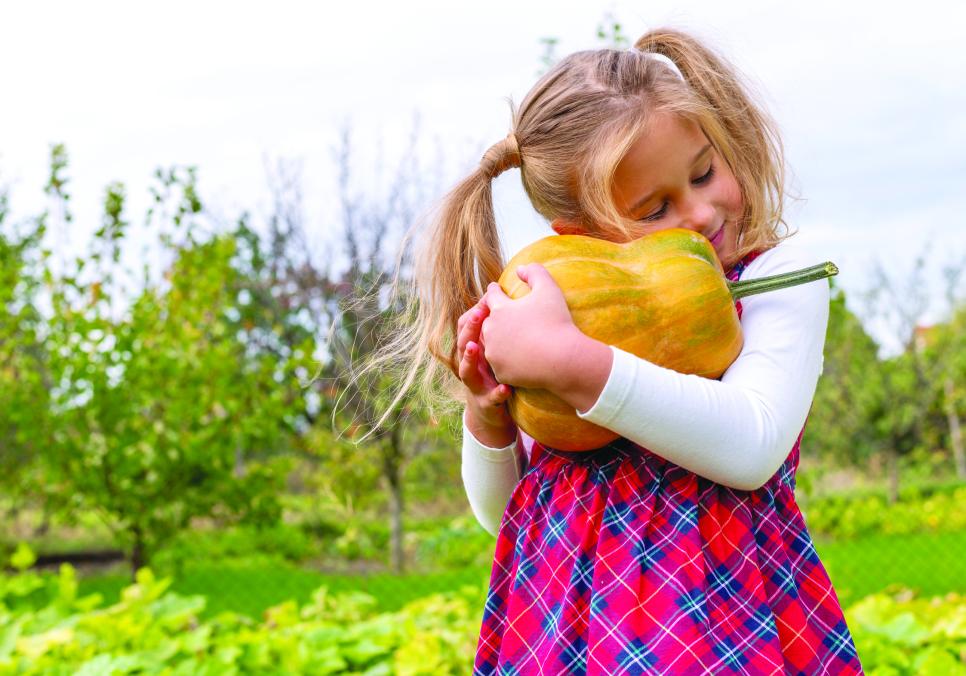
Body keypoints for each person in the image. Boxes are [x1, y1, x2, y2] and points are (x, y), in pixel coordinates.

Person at [401, 27, 863, 674]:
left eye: (705, 171)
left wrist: (572, 365)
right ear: (580, 235)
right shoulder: (561, 306)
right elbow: (506, 514)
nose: (700, 213)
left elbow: (753, 445)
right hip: (565, 629)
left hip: (723, 617)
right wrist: (486, 415)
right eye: (654, 210)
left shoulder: (774, 276)